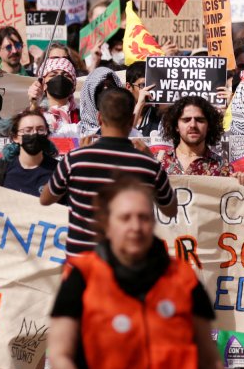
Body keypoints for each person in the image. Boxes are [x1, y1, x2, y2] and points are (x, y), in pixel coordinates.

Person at [47, 176, 236, 369]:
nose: (135, 226)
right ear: (106, 223)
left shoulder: (182, 277)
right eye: (125, 218)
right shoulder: (82, 276)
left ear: (154, 223)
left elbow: (209, 358)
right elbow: (60, 355)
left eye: (143, 218)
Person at [0, 109, 58, 369]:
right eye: (27, 131)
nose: (34, 135)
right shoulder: (0, 170)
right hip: (7, 263)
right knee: (6, 330)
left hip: (44, 267)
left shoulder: (58, 172)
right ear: (15, 136)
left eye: (39, 130)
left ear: (47, 134)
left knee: (33, 335)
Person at [41, 88, 178, 255]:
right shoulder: (148, 165)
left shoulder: (75, 160)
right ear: (132, 120)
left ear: (99, 118)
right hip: (127, 266)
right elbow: (170, 210)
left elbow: (46, 199)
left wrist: (80, 157)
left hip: (82, 265)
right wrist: (152, 160)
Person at [159, 96, 244, 184]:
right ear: (176, 126)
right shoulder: (158, 162)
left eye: (200, 120)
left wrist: (241, 181)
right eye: (186, 120)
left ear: (209, 126)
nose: (193, 125)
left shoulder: (223, 168)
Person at [30, 57, 81, 134]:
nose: (60, 78)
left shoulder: (82, 115)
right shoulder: (36, 113)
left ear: (73, 85)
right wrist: (33, 105)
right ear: (43, 84)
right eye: (53, 75)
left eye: (66, 75)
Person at [78, 66, 125, 136]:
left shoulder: (130, 133)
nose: (105, 92)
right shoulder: (75, 132)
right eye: (100, 88)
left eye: (110, 87)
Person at [126, 61, 163, 138]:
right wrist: (140, 105)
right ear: (128, 87)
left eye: (152, 86)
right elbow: (124, 135)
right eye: (143, 85)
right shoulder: (119, 114)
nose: (148, 89)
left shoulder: (160, 116)